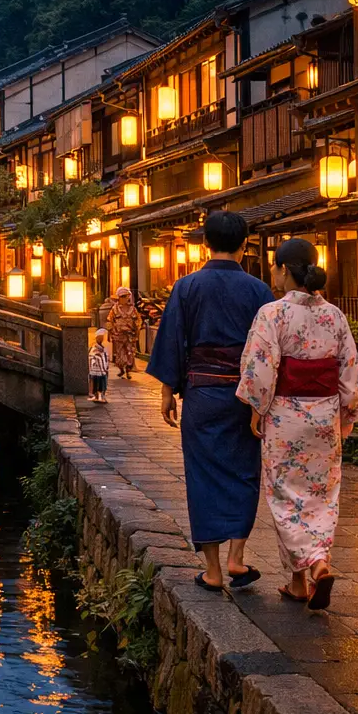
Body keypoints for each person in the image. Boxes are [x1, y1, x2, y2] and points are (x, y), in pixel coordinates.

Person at [237, 238, 358, 611]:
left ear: (282, 269)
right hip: (324, 414)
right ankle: (304, 576)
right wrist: (350, 410)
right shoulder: (335, 315)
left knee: (285, 496)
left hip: (286, 414)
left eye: (275, 268)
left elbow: (261, 370)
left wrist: (256, 408)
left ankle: (312, 567)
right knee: (321, 496)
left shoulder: (272, 313)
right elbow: (349, 370)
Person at [146, 210, 273, 593]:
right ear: (245, 244)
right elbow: (267, 351)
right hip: (244, 395)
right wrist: (261, 399)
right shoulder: (259, 291)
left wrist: (168, 390)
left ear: (205, 243)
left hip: (201, 392)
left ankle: (214, 570)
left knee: (202, 476)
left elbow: (171, 338)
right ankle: (238, 557)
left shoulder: (187, 287)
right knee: (244, 472)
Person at [107, 287, 143, 379]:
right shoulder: (114, 309)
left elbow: (138, 320)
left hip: (130, 335)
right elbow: (109, 321)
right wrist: (109, 333)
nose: (125, 298)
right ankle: (121, 369)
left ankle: (128, 370)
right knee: (120, 354)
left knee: (130, 353)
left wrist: (137, 330)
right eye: (123, 296)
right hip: (118, 335)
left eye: (126, 296)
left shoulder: (133, 309)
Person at [88, 329, 111, 402]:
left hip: (103, 368)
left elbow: (106, 357)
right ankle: (97, 396)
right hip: (97, 369)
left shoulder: (104, 347)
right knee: (97, 383)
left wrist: (106, 366)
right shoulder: (94, 348)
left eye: (102, 337)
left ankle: (101, 396)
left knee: (103, 383)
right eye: (100, 337)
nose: (101, 339)